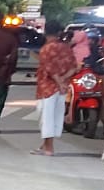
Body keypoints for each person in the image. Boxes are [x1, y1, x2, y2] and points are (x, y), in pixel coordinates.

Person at [33, 19, 79, 156]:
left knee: (46, 117)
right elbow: (74, 67)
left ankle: (49, 148)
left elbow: (50, 70)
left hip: (47, 87)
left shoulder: (46, 49)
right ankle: (45, 145)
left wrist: (59, 82)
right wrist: (64, 81)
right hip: (62, 88)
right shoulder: (66, 48)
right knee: (56, 115)